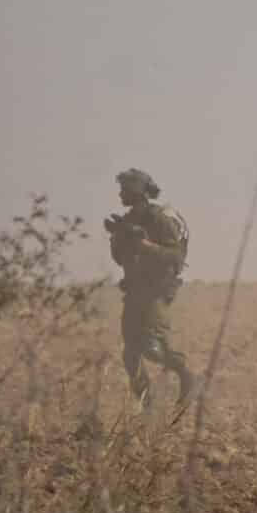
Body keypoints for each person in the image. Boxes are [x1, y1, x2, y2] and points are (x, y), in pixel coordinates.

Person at [106, 168, 195, 412]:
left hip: (157, 290)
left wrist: (144, 244)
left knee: (153, 348)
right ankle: (148, 407)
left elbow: (175, 256)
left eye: (125, 188)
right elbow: (121, 259)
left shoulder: (157, 218)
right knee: (130, 356)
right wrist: (118, 238)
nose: (121, 193)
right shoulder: (129, 221)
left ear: (138, 191)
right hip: (135, 291)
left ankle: (188, 378)